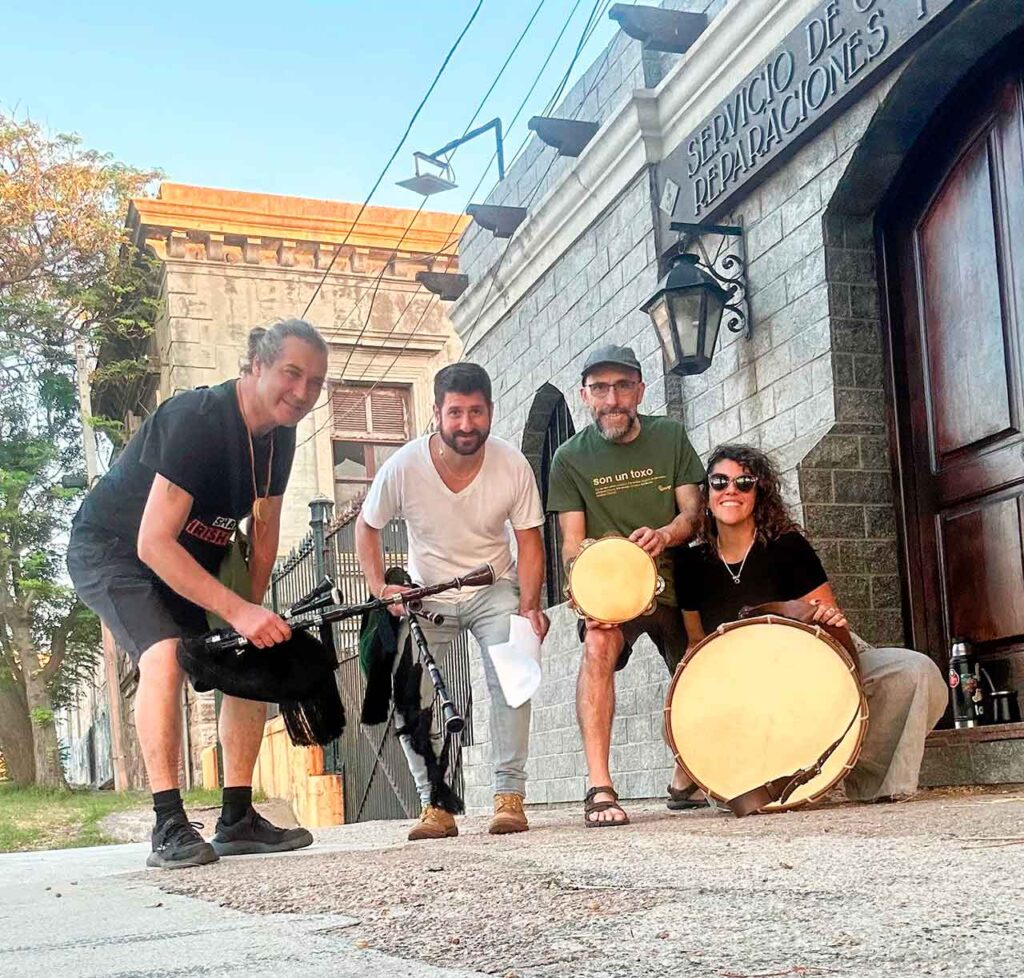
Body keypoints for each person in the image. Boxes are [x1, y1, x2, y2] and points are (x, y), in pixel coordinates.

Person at [67, 319, 328, 869]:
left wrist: (250, 616)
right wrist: (237, 610)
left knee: (255, 652)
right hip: (116, 551)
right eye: (292, 373)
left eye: (315, 382)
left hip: (189, 559)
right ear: (256, 365)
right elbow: (153, 543)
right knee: (163, 654)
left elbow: (265, 528)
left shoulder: (279, 436)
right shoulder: (198, 420)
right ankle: (168, 823)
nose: (302, 392)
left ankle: (238, 818)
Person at [676, 442, 947, 802]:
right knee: (688, 720)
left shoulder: (788, 548)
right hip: (745, 685)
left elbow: (828, 628)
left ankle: (873, 783)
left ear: (759, 493)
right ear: (707, 495)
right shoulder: (690, 565)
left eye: (744, 483)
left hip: (812, 663)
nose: (731, 490)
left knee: (915, 672)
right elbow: (697, 644)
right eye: (720, 482)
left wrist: (828, 619)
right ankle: (783, 778)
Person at [355, 362, 548, 841]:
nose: (466, 424)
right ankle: (436, 803)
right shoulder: (404, 466)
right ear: (436, 412)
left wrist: (529, 605)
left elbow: (530, 541)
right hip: (427, 593)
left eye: (476, 412)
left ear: (490, 412)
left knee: (513, 673)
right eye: (456, 412)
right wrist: (381, 587)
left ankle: (509, 796)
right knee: (408, 689)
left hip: (492, 586)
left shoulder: (512, 465)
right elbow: (367, 526)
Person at [547, 344, 705, 827]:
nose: (611, 399)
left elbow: (692, 514)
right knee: (597, 645)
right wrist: (594, 564)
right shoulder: (568, 458)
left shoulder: (670, 436)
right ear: (584, 395)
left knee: (700, 663)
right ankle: (600, 786)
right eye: (600, 388)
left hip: (677, 579)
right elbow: (571, 545)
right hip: (612, 587)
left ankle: (687, 776)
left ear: (640, 389)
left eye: (621, 386)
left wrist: (665, 534)